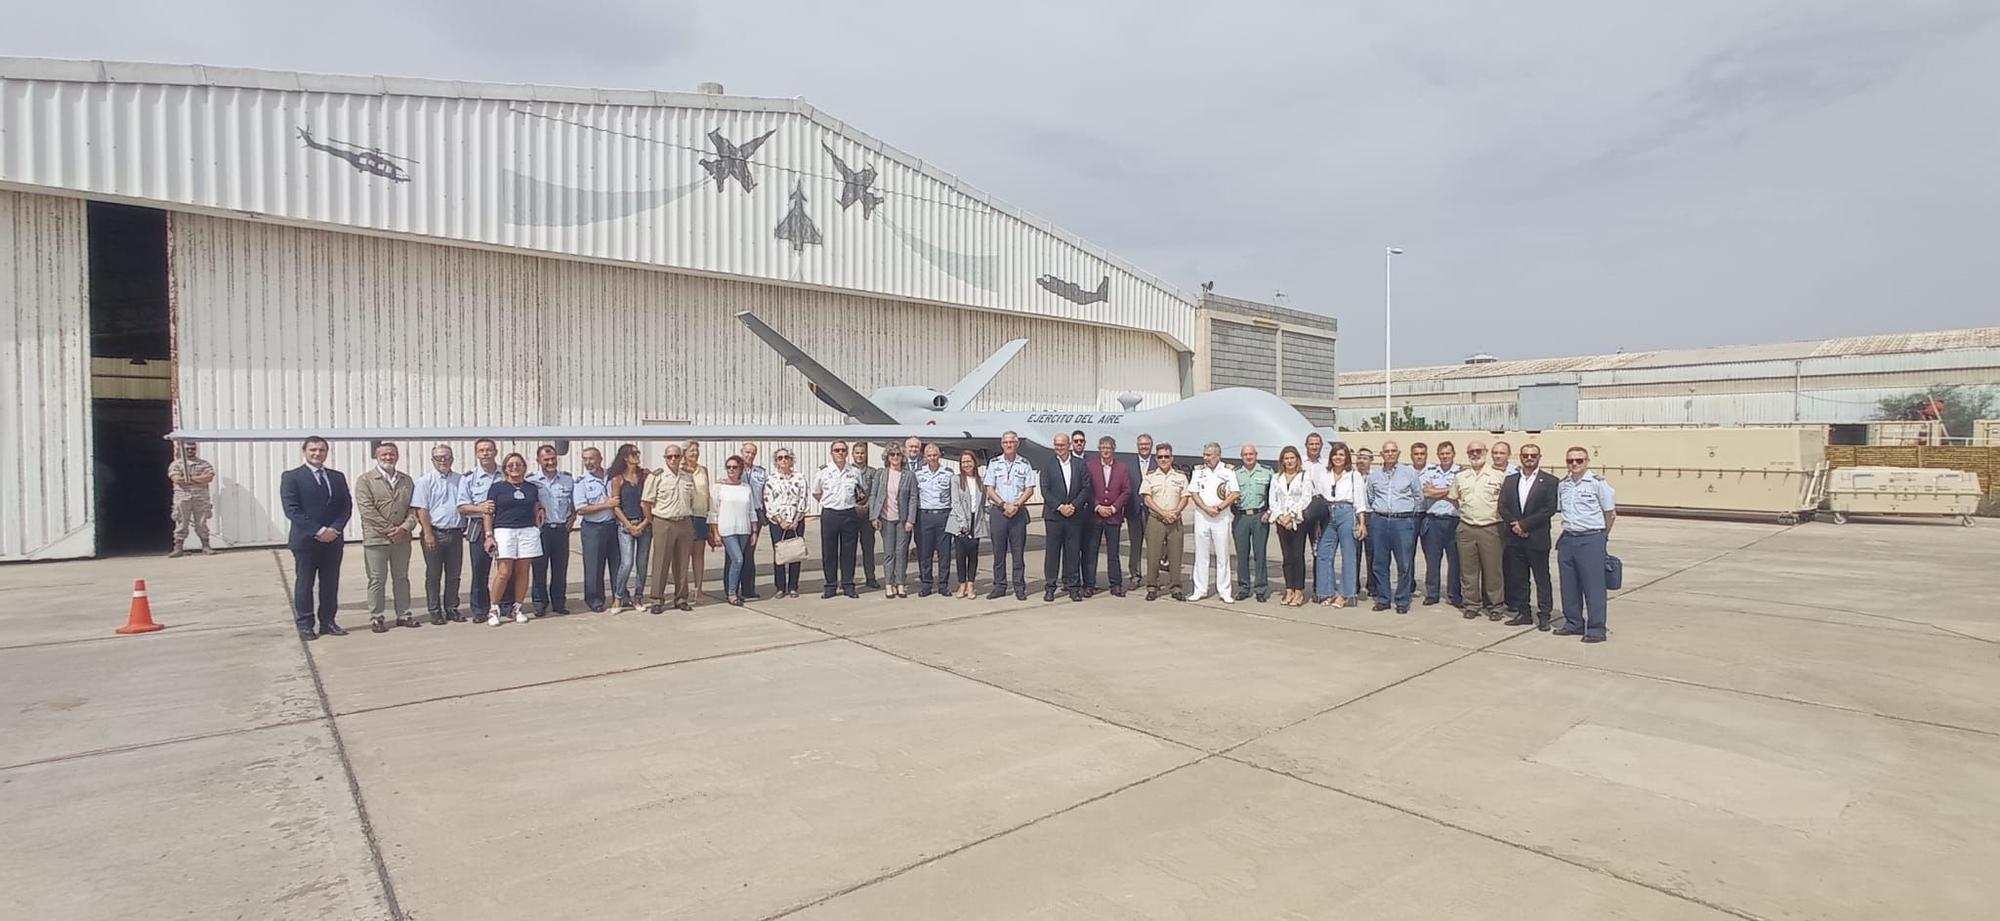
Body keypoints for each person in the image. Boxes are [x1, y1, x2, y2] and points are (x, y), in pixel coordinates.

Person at [280, 436, 351, 641]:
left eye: (321, 450)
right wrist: (318, 530)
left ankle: (328, 622)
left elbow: (345, 506)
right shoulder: (292, 477)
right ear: (305, 451)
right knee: (305, 583)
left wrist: (335, 529)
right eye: (313, 450)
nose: (317, 453)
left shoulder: (337, 477)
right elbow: (292, 510)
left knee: (330, 583)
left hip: (333, 540)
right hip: (306, 540)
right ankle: (305, 624)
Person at [355, 441, 420, 633]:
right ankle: (377, 617)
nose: (388, 458)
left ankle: (404, 614)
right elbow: (366, 510)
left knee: (401, 577)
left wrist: (405, 528)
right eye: (384, 455)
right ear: (377, 456)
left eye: (392, 454)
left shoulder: (406, 480)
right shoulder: (366, 480)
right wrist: (390, 529)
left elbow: (413, 508)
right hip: (376, 539)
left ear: (397, 456)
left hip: (402, 539)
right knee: (377, 578)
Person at [1556, 447, 1617, 643]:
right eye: (1570, 460)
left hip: (1591, 538)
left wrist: (1602, 537)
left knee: (1594, 586)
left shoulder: (1598, 484)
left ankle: (1596, 628)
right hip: (1568, 538)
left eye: (1579, 460)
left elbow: (1610, 514)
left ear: (1587, 461)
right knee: (1569, 585)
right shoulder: (1563, 485)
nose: (1574, 464)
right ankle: (1573, 623)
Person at [1500, 443, 1560, 629]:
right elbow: (1503, 506)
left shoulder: (1550, 481)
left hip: (1537, 537)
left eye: (1533, 455)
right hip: (1514, 537)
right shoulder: (1510, 480)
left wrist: (1524, 525)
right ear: (1520, 457)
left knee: (1541, 578)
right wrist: (1515, 524)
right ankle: (1523, 612)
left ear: (1539, 457)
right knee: (1519, 577)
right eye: (1526, 455)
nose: (1529, 458)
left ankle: (1544, 614)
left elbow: (1548, 509)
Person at [1447, 440, 1508, 621]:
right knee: (1468, 571)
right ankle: (1472, 604)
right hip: (1466, 527)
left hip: (1491, 528)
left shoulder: (1498, 476)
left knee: (1493, 570)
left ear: (1486, 452)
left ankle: (1495, 605)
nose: (1475, 454)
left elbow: (1506, 501)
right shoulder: (1461, 477)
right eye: (1471, 451)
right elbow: (1454, 498)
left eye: (1478, 450)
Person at [481, 452, 543, 625]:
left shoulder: (531, 488)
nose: (515, 467)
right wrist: (489, 535)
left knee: (523, 571)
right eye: (510, 465)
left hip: (527, 531)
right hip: (504, 531)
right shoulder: (497, 488)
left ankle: (517, 608)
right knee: (504, 572)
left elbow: (536, 508)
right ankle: (494, 609)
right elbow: (488, 513)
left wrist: (540, 516)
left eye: (518, 464)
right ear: (505, 468)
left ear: (524, 466)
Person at [1365, 440, 1423, 613]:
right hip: (1380, 521)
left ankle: (1402, 600)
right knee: (1379, 562)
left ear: (1398, 453)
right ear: (1382, 454)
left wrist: (1408, 516)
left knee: (1404, 563)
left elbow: (1418, 496)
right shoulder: (1374, 475)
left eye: (1393, 451)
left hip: (1402, 522)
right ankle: (1383, 598)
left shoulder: (1409, 473)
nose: (1390, 454)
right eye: (1386, 451)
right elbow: (1370, 497)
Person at [413, 444, 466, 624]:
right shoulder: (425, 481)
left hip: (456, 533)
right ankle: (434, 610)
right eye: (438, 457)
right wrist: (428, 533)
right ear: (432, 460)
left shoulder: (461, 479)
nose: (443, 460)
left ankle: (452, 608)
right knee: (434, 575)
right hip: (434, 533)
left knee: (454, 574)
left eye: (446, 457)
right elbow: (421, 509)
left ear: (452, 459)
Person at [643, 445, 698, 612]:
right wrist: (653, 521)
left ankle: (681, 598)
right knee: (660, 562)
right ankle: (656, 600)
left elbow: (692, 499)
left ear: (681, 457)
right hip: (663, 521)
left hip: (684, 521)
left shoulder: (687, 476)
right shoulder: (657, 476)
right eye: (669, 457)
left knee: (682, 563)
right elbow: (646, 501)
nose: (673, 459)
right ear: (665, 458)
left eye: (676, 456)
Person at [1036, 432, 1091, 602]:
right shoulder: (1048, 464)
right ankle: (1050, 587)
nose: (1059, 448)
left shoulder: (1080, 464)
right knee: (1052, 553)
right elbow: (1045, 489)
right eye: (1056, 445)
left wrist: (1073, 506)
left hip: (1075, 515)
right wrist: (1060, 507)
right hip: (1054, 516)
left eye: (1062, 445)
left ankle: (1073, 587)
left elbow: (1086, 488)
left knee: (1073, 552)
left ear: (1069, 445)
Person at [983, 431, 1036, 600]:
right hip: (999, 511)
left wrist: (1017, 505)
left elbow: (1029, 489)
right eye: (1005, 442)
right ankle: (999, 586)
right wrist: (1003, 504)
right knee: (998, 552)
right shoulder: (994, 463)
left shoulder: (1025, 463)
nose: (1008, 445)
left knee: (1018, 552)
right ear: (1001, 444)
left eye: (1011, 442)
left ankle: (1019, 587)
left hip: (1018, 512)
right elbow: (989, 488)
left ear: (1017, 444)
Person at [1314, 443, 1368, 606]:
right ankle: (1326, 591)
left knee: (1349, 554)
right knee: (1324, 553)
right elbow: (1317, 496)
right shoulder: (1324, 474)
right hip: (1327, 513)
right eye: (1335, 454)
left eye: (1342, 455)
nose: (1338, 458)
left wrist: (1362, 523)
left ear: (1347, 458)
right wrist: (1316, 522)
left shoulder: (1354, 475)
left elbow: (1360, 500)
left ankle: (1345, 594)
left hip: (1346, 511)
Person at [527, 445, 577, 616]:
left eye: (553, 459)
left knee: (560, 568)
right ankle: (540, 604)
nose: (550, 462)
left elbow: (574, 503)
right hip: (541, 530)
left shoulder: (567, 480)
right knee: (539, 569)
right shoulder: (532, 481)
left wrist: (572, 520)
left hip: (561, 529)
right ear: (538, 461)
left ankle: (559, 603)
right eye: (546, 459)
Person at [458, 439, 506, 616]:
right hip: (478, 527)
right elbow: (462, 506)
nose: (485, 453)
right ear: (477, 454)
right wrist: (481, 508)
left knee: (505, 568)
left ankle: (505, 605)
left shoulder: (506, 473)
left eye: (489, 450)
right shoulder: (469, 477)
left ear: (495, 452)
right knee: (480, 570)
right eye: (481, 451)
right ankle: (479, 609)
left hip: (503, 525)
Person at [814, 441, 865, 598]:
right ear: (832, 453)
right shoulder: (823, 471)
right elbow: (816, 492)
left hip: (849, 513)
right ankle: (830, 585)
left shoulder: (854, 471)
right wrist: (829, 502)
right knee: (829, 551)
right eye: (837, 450)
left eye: (843, 450)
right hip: (830, 514)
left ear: (847, 452)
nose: (840, 453)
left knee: (848, 551)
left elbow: (861, 491)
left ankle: (848, 585)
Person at [1187, 442, 1237, 604]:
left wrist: (1220, 507)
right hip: (1202, 516)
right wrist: (1206, 508)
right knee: (1201, 555)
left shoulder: (1228, 471)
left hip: (1221, 517)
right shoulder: (1198, 471)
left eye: (1208, 455)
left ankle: (1224, 590)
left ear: (1217, 455)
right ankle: (1200, 589)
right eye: (1204, 455)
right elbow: (1193, 492)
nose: (1205, 458)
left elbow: (1235, 493)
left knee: (1223, 555)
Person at [1141, 442, 1191, 601]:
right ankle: (1152, 587)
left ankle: (1176, 587)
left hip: (1175, 520)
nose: (1163, 459)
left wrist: (1175, 513)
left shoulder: (1180, 476)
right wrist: (1163, 513)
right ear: (1156, 458)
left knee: (1176, 556)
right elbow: (1147, 498)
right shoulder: (1150, 476)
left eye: (1166, 456)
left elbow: (1185, 497)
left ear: (1172, 458)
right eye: (1160, 457)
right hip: (1156, 520)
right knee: (1153, 555)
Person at [1417, 441, 1464, 609]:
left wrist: (1439, 492)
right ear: (1438, 455)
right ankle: (1432, 593)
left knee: (1455, 561)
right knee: (1432, 560)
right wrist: (1449, 490)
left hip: (1453, 521)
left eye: (1448, 453)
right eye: (1442, 454)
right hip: (1433, 521)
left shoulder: (1461, 472)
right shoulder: (1431, 472)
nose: (1445, 456)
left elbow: (1460, 495)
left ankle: (1454, 594)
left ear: (1453, 454)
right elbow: (1426, 492)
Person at [573, 447, 620, 613]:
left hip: (613, 526)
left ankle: (620, 595)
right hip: (593, 528)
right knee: (594, 566)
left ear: (600, 458)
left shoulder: (612, 476)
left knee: (617, 564)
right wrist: (606, 505)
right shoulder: (581, 482)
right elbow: (581, 509)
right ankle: (595, 599)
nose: (588, 463)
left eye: (591, 459)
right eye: (585, 459)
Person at [1084, 435, 1131, 598]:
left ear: (1113, 449)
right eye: (1102, 447)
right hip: (1095, 516)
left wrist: (1113, 507)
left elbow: (1126, 490)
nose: (1105, 451)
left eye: (1108, 448)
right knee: (1091, 551)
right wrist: (1097, 506)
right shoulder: (1090, 466)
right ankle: (1089, 584)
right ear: (1099, 449)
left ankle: (1116, 584)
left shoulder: (1122, 467)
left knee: (1113, 552)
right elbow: (1087, 489)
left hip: (1113, 516)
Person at [1269, 445, 1313, 607]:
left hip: (1297, 521)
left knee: (1297, 556)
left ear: (1297, 460)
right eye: (1286, 458)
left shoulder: (1304, 477)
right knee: (1287, 557)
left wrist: (1291, 515)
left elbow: (1306, 498)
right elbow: (1272, 500)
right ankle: (1289, 589)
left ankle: (1299, 590)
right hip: (1281, 521)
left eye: (1292, 458)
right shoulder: (1276, 478)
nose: (1289, 461)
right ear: (1282, 461)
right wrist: (1280, 516)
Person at [709, 456, 756, 606]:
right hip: (727, 529)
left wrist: (754, 531)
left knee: (732, 561)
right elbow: (714, 512)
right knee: (738, 560)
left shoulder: (746, 488)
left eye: (734, 467)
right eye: (728, 467)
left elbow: (751, 510)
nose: (731, 470)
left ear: (740, 469)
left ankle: (732, 589)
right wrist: (715, 533)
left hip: (743, 529)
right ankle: (732, 593)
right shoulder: (719, 488)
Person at [608, 444, 650, 610]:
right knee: (626, 563)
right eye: (633, 454)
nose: (637, 456)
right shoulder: (618, 479)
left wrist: (645, 522)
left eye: (638, 453)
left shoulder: (644, 475)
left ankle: (638, 597)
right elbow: (615, 505)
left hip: (644, 523)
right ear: (625, 458)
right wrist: (628, 524)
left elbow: (650, 500)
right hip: (626, 525)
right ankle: (618, 597)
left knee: (642, 563)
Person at [763, 448, 809, 598]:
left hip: (796, 521)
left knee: (795, 553)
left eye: (786, 457)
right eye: (780, 458)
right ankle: (780, 586)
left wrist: (796, 520)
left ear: (791, 459)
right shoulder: (771, 479)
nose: (783, 460)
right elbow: (768, 501)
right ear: (776, 461)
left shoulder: (800, 478)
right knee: (781, 553)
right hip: (778, 522)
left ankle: (793, 586)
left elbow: (803, 499)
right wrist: (780, 520)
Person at [870, 448, 914, 597]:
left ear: (903, 457)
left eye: (898, 455)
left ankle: (900, 583)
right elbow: (874, 495)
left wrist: (910, 519)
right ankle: (889, 584)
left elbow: (913, 498)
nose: (895, 457)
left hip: (902, 520)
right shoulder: (881, 474)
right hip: (885, 519)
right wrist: (874, 516)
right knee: (889, 553)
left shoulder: (909, 475)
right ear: (887, 457)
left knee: (901, 553)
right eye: (892, 455)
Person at [1232, 443, 1273, 603]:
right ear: (1241, 457)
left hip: (1259, 516)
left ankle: (1261, 588)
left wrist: (1269, 512)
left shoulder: (1267, 472)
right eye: (1245, 455)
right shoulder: (1235, 473)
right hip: (1241, 516)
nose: (1248, 457)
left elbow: (1272, 494)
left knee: (1260, 554)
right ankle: (1243, 588)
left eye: (1251, 454)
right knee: (1242, 554)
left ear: (1256, 455)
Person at [912, 443, 954, 597]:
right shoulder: (918, 474)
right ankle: (926, 584)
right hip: (925, 516)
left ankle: (943, 585)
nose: (932, 458)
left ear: (939, 456)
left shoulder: (948, 473)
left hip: (943, 515)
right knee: (925, 552)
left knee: (945, 553)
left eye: (934, 455)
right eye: (929, 455)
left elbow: (953, 495)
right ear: (925, 457)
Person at [946, 449, 988, 598]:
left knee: (973, 554)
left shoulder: (981, 480)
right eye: (963, 462)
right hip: (960, 521)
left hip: (976, 521)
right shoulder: (956, 480)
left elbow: (983, 503)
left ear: (975, 463)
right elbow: (955, 502)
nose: (966, 464)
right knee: (960, 554)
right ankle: (962, 583)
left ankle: (971, 584)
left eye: (969, 461)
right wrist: (963, 523)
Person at [166, 441, 217, 557]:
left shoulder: (204, 464)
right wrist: (198, 479)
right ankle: (178, 548)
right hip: (183, 497)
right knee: (181, 522)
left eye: (193, 449)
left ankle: (206, 546)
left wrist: (189, 480)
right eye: (187, 449)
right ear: (182, 450)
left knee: (201, 522)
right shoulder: (176, 464)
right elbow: (177, 479)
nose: (190, 451)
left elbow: (208, 477)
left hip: (200, 497)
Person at [684, 441, 714, 602]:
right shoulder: (680, 469)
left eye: (696, 450)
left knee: (698, 554)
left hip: (701, 515)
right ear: (685, 453)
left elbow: (707, 493)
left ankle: (698, 589)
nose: (695, 453)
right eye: (691, 451)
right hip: (685, 515)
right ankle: (682, 589)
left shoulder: (703, 470)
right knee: (683, 554)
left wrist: (710, 519)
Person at [739, 442, 768, 600]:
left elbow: (765, 492)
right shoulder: (735, 469)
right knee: (737, 553)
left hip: (756, 512)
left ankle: (748, 589)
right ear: (742, 452)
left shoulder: (760, 472)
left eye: (752, 453)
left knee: (750, 552)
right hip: (739, 513)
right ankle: (732, 587)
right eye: (747, 452)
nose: (749, 455)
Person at [1126, 433, 1154, 589]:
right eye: (1141, 444)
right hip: (1134, 511)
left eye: (1147, 444)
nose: (1144, 447)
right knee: (1135, 545)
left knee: (1154, 546)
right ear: (1137, 446)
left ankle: (1152, 576)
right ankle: (1135, 575)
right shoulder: (1129, 464)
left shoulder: (1158, 463)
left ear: (1151, 445)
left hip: (1153, 511)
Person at [854, 442, 882, 590]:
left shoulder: (873, 472)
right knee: (849, 549)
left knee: (868, 548)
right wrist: (856, 506)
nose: (860, 455)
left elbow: (875, 492)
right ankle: (848, 578)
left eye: (862, 453)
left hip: (867, 515)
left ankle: (870, 577)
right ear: (853, 454)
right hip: (851, 514)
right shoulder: (848, 471)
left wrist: (867, 506)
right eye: (857, 453)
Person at [1355, 447, 1378, 600]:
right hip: (1355, 516)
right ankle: (1353, 585)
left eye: (1365, 457)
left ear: (1371, 460)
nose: (1361, 460)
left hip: (1371, 516)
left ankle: (1373, 585)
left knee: (1372, 553)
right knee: (1354, 553)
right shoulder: (1351, 476)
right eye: (1359, 457)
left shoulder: (1376, 476)